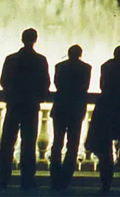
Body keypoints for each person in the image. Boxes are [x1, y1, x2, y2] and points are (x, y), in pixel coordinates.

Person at [0, 28, 50, 190]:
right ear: (35, 40)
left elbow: (3, 80)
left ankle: (3, 178)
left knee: (7, 142)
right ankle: (27, 178)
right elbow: (45, 83)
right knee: (29, 143)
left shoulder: (11, 59)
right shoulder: (40, 60)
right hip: (31, 106)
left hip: (14, 104)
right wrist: (38, 97)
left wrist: (11, 95)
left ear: (22, 39)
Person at [86, 45, 120, 193]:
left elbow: (102, 85)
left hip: (106, 109)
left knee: (104, 148)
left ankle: (106, 181)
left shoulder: (106, 66)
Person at [49, 44, 91, 190]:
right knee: (73, 144)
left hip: (60, 108)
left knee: (57, 143)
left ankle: (54, 176)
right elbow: (84, 87)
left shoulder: (59, 66)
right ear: (80, 54)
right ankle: (66, 177)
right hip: (76, 109)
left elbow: (57, 84)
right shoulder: (86, 68)